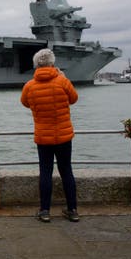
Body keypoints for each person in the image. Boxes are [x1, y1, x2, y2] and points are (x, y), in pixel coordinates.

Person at [21, 48, 80, 223]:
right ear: (52, 64)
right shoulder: (63, 81)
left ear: (35, 65)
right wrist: (62, 77)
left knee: (45, 172)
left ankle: (45, 211)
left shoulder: (29, 86)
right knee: (66, 172)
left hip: (43, 137)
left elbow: (24, 102)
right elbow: (74, 98)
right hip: (63, 136)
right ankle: (73, 210)